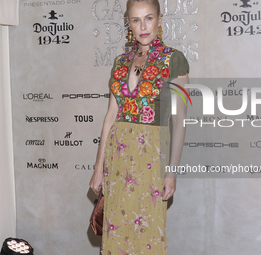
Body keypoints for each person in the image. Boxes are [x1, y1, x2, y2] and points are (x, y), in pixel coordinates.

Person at [89, 0, 189, 254]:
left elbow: (178, 121)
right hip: (118, 158)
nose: (142, 26)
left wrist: (172, 172)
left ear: (159, 19)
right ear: (128, 24)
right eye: (135, 20)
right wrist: (99, 168)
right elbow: (111, 116)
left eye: (148, 18)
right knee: (117, 233)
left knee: (147, 233)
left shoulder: (173, 60)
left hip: (151, 160)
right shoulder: (120, 62)